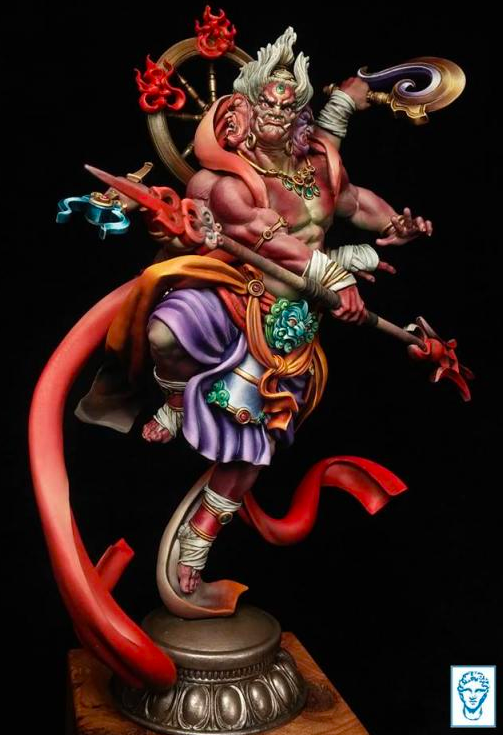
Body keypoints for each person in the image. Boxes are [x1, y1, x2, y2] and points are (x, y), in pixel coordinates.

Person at [78, 28, 432, 595]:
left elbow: (355, 202)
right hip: (234, 292)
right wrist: (332, 273)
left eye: (287, 107)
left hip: (288, 321)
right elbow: (263, 239)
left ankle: (199, 538)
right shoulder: (222, 180)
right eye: (265, 103)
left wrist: (395, 224)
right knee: (166, 330)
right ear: (242, 106)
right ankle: (176, 402)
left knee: (249, 444)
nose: (275, 114)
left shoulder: (319, 163)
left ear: (299, 112)